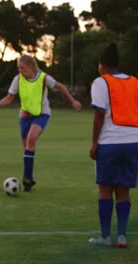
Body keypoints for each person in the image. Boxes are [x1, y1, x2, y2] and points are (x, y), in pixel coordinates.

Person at [0, 54, 82, 192]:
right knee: (27, 147)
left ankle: (26, 179)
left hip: (42, 114)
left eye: (22, 67)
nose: (20, 70)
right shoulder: (17, 79)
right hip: (25, 116)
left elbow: (60, 87)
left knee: (31, 139)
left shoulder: (44, 78)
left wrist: (72, 101)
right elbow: (10, 97)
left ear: (31, 66)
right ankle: (30, 179)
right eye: (18, 68)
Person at [88, 42, 138, 248]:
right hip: (134, 142)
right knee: (124, 189)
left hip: (110, 142)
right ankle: (123, 237)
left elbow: (99, 113)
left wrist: (94, 142)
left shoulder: (101, 82)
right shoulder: (135, 82)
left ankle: (106, 237)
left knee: (106, 188)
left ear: (102, 65)